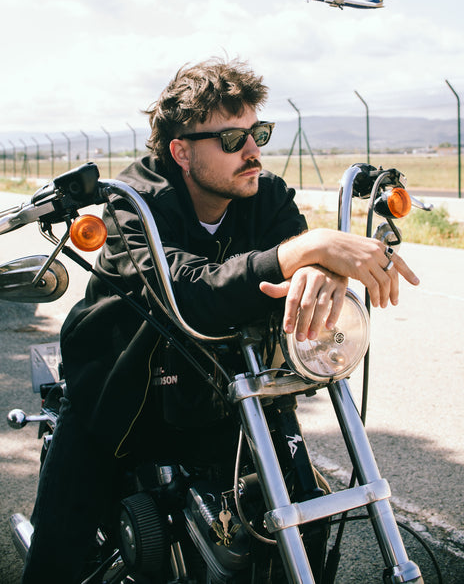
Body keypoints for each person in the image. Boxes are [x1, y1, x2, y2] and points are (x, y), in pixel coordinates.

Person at [22, 56, 419, 583]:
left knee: (305, 507)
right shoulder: (133, 202)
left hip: (231, 385)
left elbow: (292, 260)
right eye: (232, 139)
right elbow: (189, 292)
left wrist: (320, 268)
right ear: (181, 151)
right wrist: (309, 249)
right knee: (57, 557)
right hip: (121, 393)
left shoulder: (266, 194)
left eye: (259, 133)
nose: (253, 150)